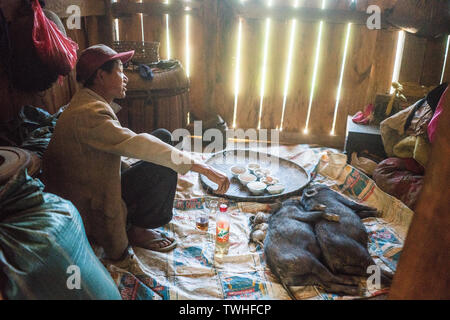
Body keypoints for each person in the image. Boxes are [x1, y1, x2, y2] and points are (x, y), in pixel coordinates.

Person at [42, 44, 230, 261]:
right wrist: (202, 168)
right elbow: (138, 144)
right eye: (120, 71)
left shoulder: (88, 102)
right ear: (101, 76)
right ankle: (136, 228)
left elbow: (131, 143)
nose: (126, 78)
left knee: (162, 137)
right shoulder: (89, 114)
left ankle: (138, 213)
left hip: (94, 187)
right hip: (87, 208)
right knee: (163, 166)